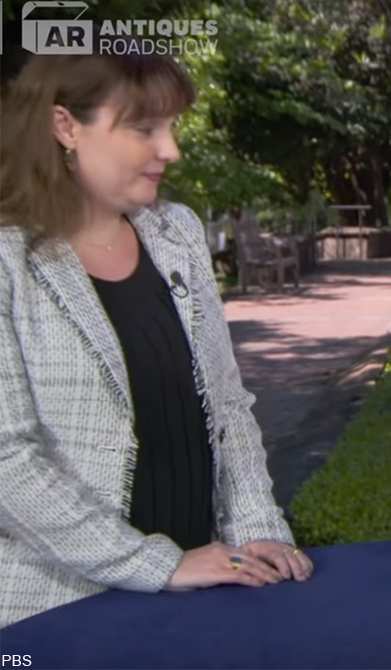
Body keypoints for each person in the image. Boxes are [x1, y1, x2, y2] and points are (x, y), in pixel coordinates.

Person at [0, 52, 313, 629]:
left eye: (171, 127)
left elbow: (226, 405)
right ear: (65, 126)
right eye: (144, 128)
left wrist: (258, 531)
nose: (169, 151)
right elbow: (8, 463)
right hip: (54, 616)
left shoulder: (178, 233)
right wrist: (158, 565)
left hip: (201, 592)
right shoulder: (9, 262)